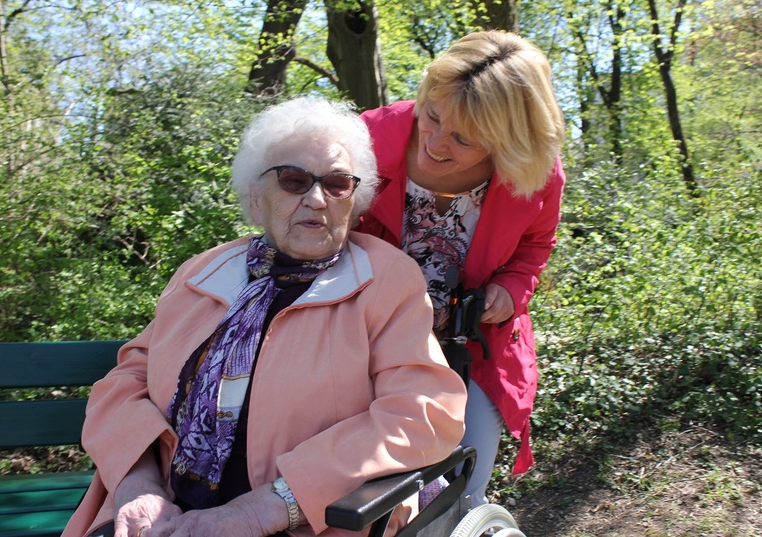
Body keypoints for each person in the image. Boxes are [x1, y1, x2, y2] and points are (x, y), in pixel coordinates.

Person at [63, 97, 467, 537]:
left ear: (356, 202)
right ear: (256, 199)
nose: (316, 199)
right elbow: (125, 383)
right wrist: (137, 482)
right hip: (163, 513)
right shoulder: (204, 272)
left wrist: (267, 508)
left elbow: (421, 413)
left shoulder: (386, 281)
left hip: (315, 520)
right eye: (293, 180)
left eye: (336, 184)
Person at [355, 30, 566, 507]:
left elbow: (535, 246)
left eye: (464, 139)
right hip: (361, 340)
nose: (435, 143)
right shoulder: (364, 140)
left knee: (460, 490)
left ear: (508, 142)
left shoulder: (535, 174)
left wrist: (511, 290)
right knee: (366, 491)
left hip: (471, 347)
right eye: (431, 116)